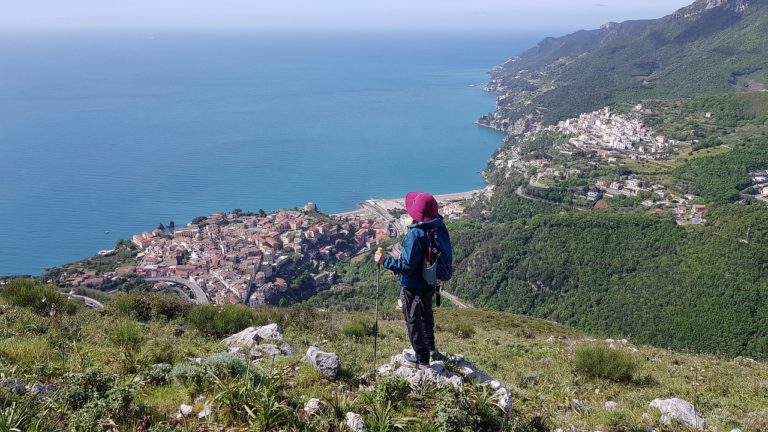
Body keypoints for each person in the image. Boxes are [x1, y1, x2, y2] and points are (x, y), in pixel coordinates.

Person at [375, 191, 451, 368]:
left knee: (412, 319)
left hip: (413, 285)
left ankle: (422, 359)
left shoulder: (416, 234)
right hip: (429, 280)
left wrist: (384, 261)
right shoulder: (438, 227)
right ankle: (431, 348)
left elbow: (407, 266)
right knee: (426, 315)